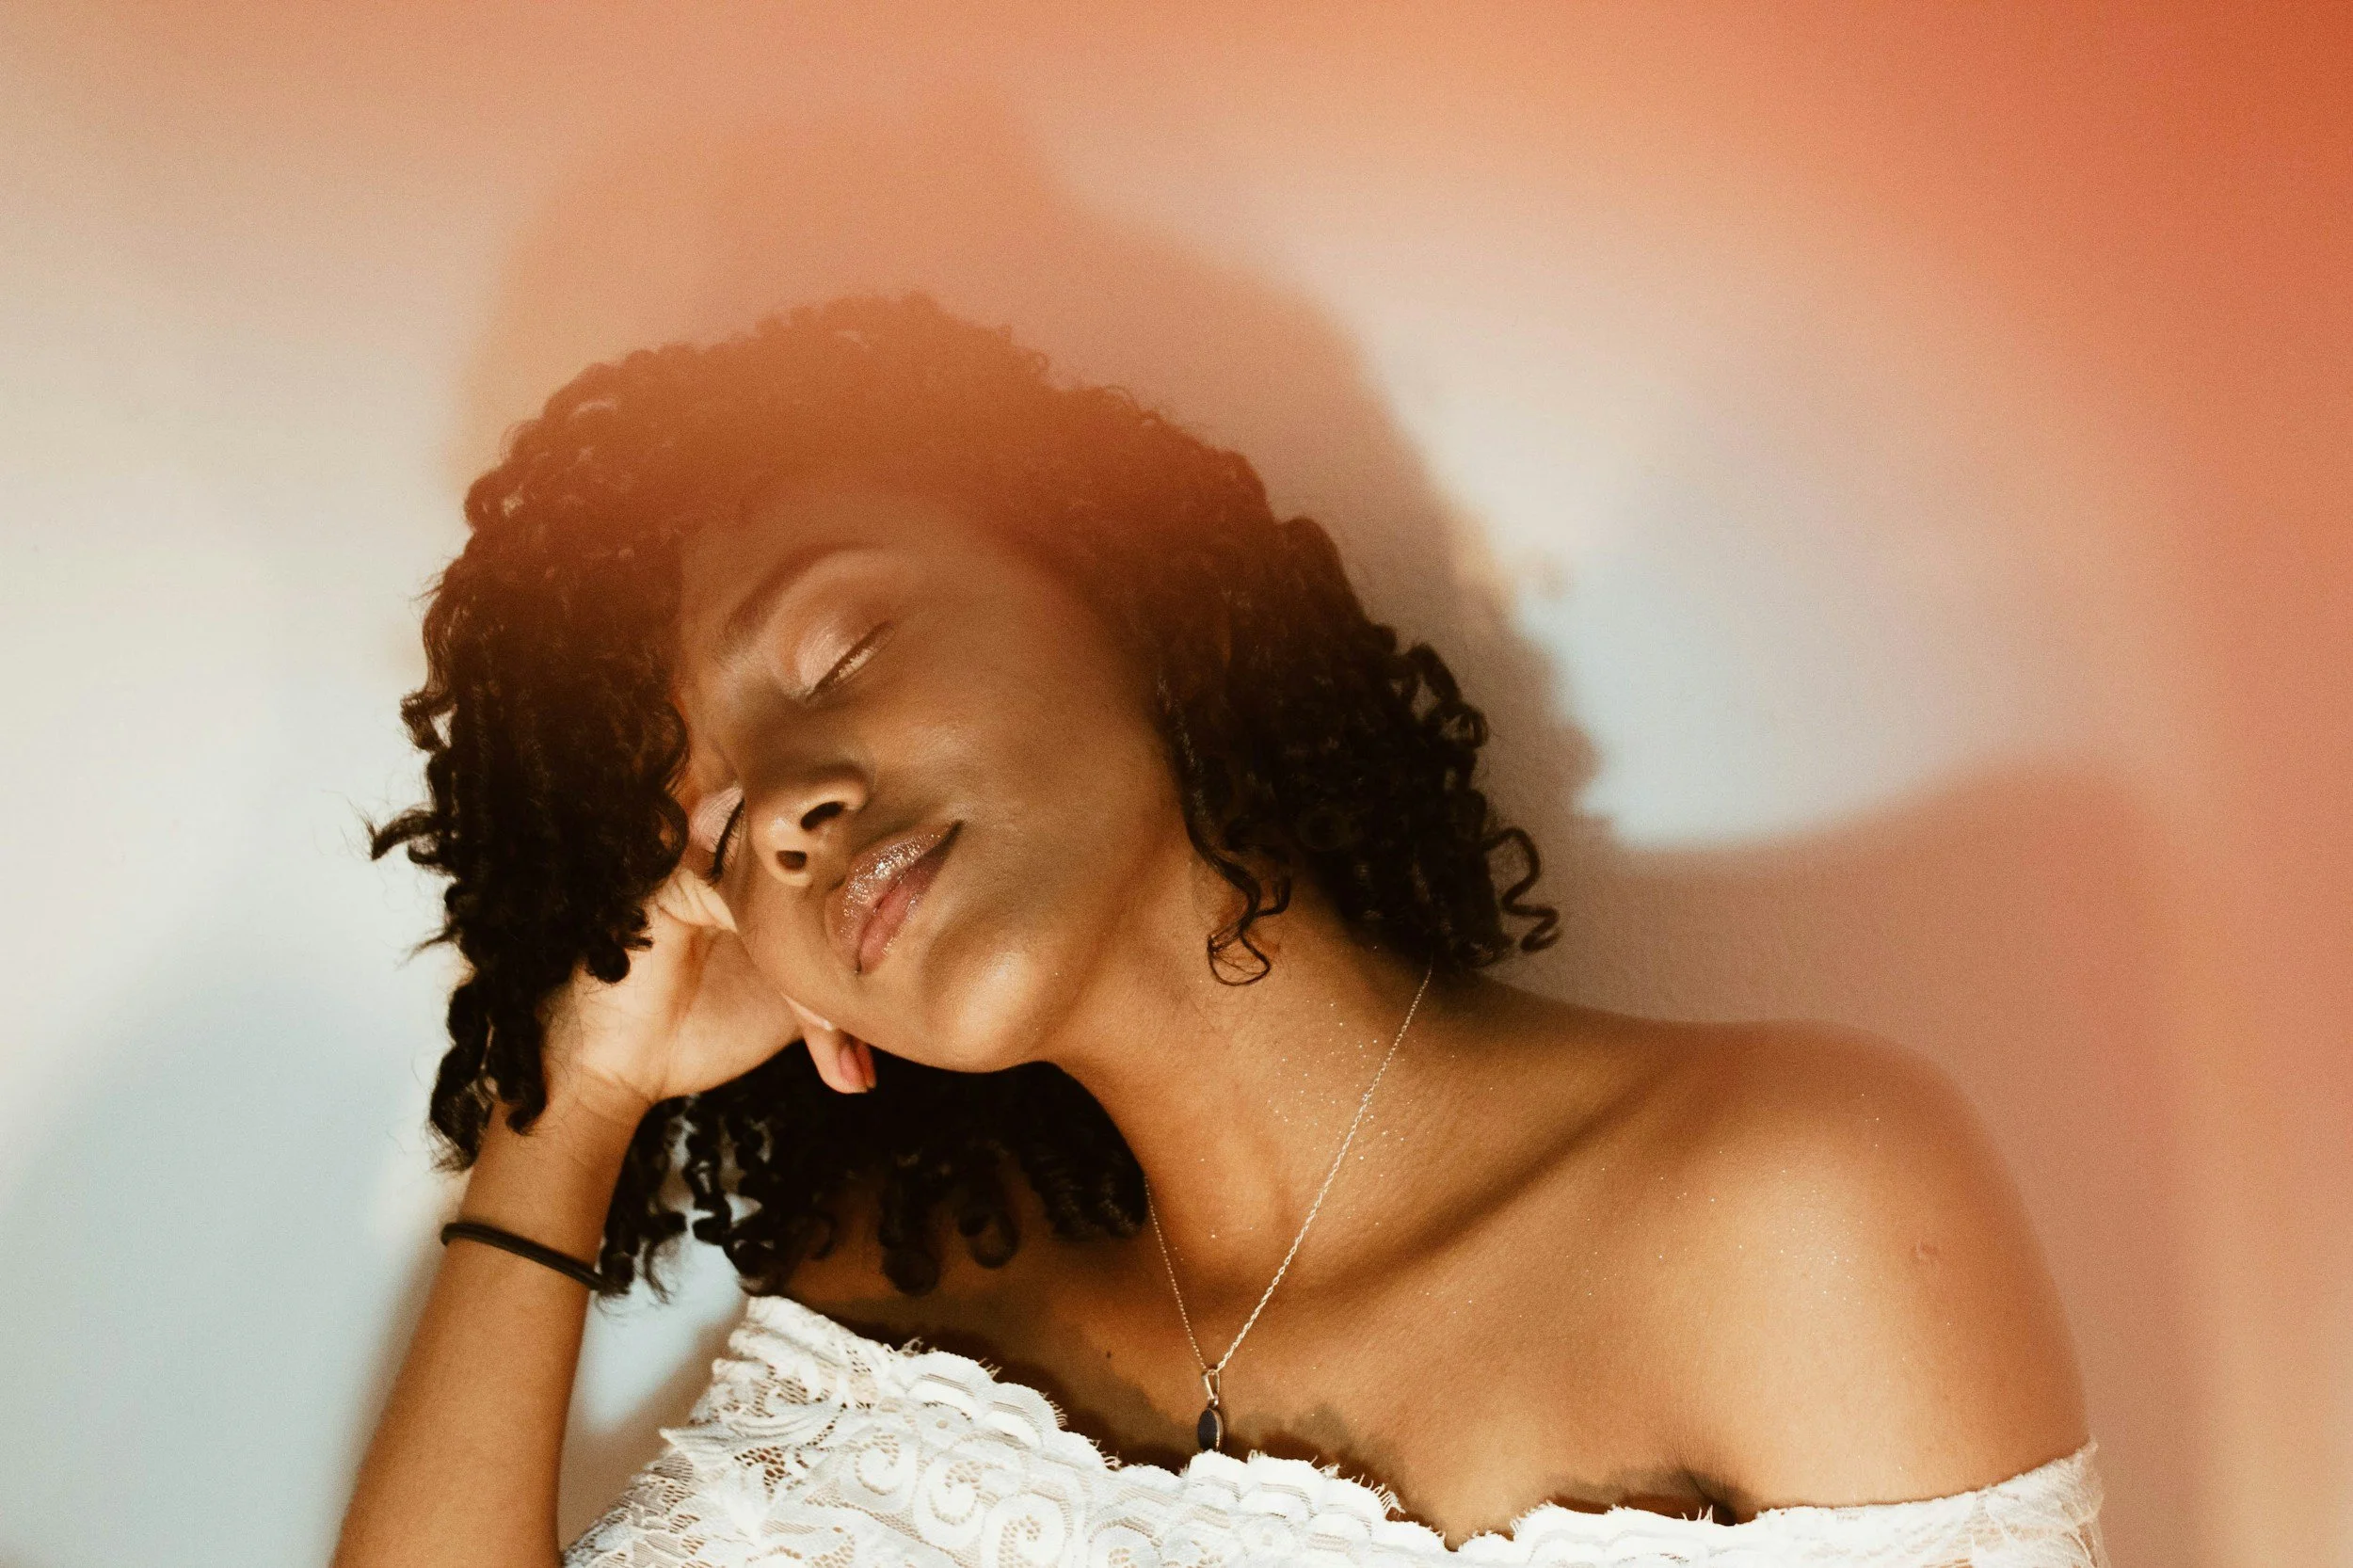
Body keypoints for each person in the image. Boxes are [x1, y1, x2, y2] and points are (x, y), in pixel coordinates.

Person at [334, 295, 2105, 1567]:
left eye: (840, 650)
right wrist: (570, 1112)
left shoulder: (1797, 1210)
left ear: (1111, 579)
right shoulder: (879, 1313)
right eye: (716, 836)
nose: (786, 808)